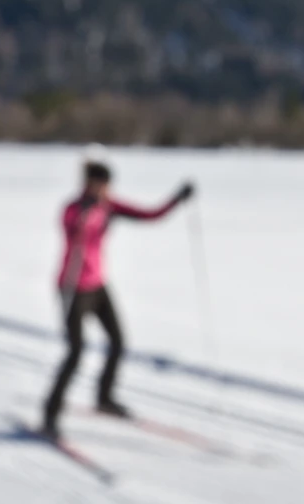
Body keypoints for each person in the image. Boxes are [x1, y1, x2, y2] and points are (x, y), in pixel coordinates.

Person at [41, 160, 194, 439]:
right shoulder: (73, 209)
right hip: (72, 286)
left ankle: (104, 398)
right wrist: (87, 214)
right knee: (76, 352)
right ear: (88, 183)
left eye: (108, 185)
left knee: (118, 341)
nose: (106, 190)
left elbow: (150, 215)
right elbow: (71, 230)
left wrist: (176, 200)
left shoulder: (108, 206)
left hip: (98, 285)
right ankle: (49, 414)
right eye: (101, 184)